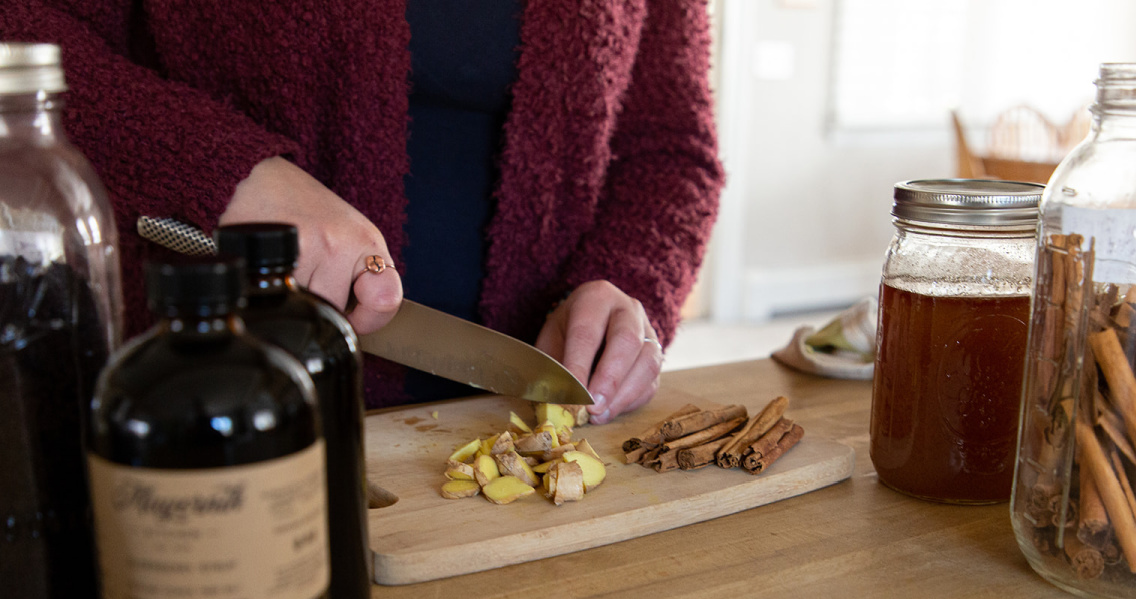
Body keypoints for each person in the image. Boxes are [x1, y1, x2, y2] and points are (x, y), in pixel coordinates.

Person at [3, 0, 723, 421]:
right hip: (222, 406)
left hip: (520, 419)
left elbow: (673, 151)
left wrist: (628, 285)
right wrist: (222, 170)